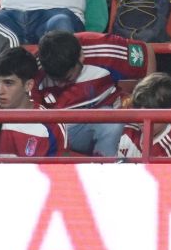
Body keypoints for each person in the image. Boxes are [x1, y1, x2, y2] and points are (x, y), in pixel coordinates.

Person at [33, 29, 148, 157]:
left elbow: (147, 53)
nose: (60, 85)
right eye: (55, 80)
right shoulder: (35, 69)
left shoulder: (106, 49)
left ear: (81, 56)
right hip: (59, 129)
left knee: (113, 121)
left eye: (67, 78)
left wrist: (146, 99)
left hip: (105, 118)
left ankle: (103, 170)